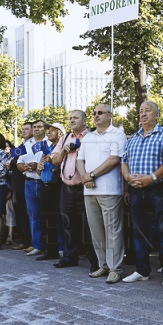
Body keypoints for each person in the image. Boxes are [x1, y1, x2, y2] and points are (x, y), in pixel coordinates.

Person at [121, 101, 163, 286]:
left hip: (159, 189)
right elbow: (124, 161)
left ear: (157, 115)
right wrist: (128, 177)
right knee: (139, 232)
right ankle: (142, 270)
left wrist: (151, 178)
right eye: (141, 111)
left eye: (148, 111)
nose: (143, 114)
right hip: (137, 191)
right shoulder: (133, 137)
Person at [77, 104, 127, 283]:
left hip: (109, 189)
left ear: (110, 115)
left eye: (100, 113)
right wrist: (84, 177)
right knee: (96, 230)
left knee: (113, 230)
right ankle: (103, 264)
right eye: (94, 113)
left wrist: (91, 175)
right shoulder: (88, 137)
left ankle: (115, 268)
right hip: (89, 190)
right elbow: (79, 159)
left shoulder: (117, 134)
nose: (96, 116)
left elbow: (114, 159)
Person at [51, 110, 99, 270]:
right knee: (67, 223)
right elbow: (54, 160)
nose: (72, 120)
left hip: (85, 187)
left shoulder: (92, 137)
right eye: (70, 118)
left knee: (90, 225)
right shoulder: (65, 138)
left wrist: (80, 151)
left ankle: (95, 260)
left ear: (84, 121)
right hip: (66, 187)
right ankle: (69, 257)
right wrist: (65, 150)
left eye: (75, 118)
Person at [17, 120, 49, 256]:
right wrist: (25, 167)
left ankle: (54, 246)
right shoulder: (26, 144)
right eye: (34, 127)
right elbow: (18, 163)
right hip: (29, 182)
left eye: (39, 127)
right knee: (33, 216)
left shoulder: (48, 142)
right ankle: (37, 245)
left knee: (50, 215)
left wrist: (37, 165)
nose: (36, 129)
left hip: (44, 183)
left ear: (45, 129)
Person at [36, 123, 66, 260]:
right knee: (47, 219)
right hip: (44, 184)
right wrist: (39, 167)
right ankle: (51, 250)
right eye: (48, 130)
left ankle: (63, 249)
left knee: (60, 219)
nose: (49, 133)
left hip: (57, 186)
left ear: (60, 133)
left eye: (52, 131)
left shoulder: (63, 147)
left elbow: (65, 165)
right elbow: (37, 170)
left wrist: (53, 160)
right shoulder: (46, 147)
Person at [10, 122, 33, 251]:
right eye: (22, 129)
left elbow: (15, 160)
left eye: (26, 129)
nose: (23, 131)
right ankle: (25, 239)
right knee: (21, 213)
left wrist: (11, 162)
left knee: (27, 213)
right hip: (17, 184)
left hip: (26, 182)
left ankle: (29, 240)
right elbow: (13, 158)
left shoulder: (32, 145)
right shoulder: (21, 145)